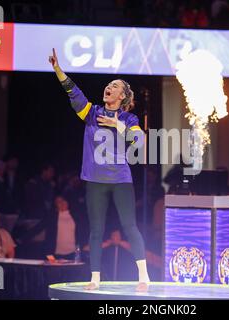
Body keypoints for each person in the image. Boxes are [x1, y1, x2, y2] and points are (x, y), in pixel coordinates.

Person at [49, 48, 150, 291]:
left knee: (130, 226)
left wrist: (118, 124)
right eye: (109, 84)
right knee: (96, 230)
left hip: (120, 179)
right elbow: (74, 93)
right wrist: (58, 70)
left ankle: (143, 276)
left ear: (123, 96)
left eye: (115, 86)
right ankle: (95, 278)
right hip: (95, 180)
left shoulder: (129, 119)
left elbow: (141, 142)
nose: (109, 87)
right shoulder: (92, 113)